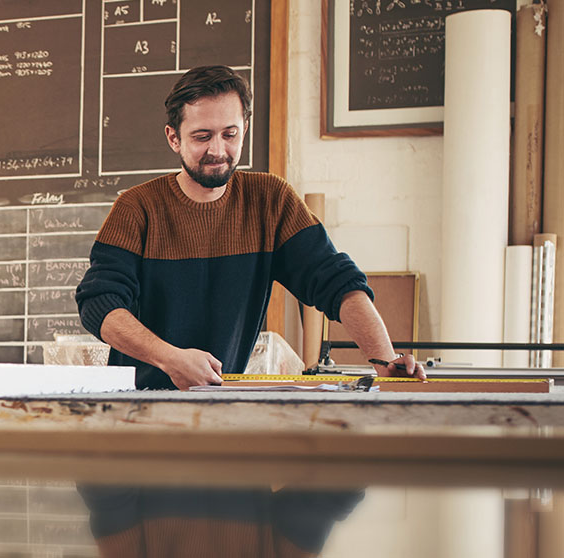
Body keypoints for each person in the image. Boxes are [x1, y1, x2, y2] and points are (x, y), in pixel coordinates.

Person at [75, 65, 425, 390]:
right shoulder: (136, 208)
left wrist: (384, 359)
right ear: (173, 138)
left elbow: (337, 282)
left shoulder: (271, 201)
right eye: (202, 136)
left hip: (223, 403)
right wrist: (170, 359)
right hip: (137, 406)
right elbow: (100, 304)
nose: (218, 150)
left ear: (245, 128)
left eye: (230, 134)